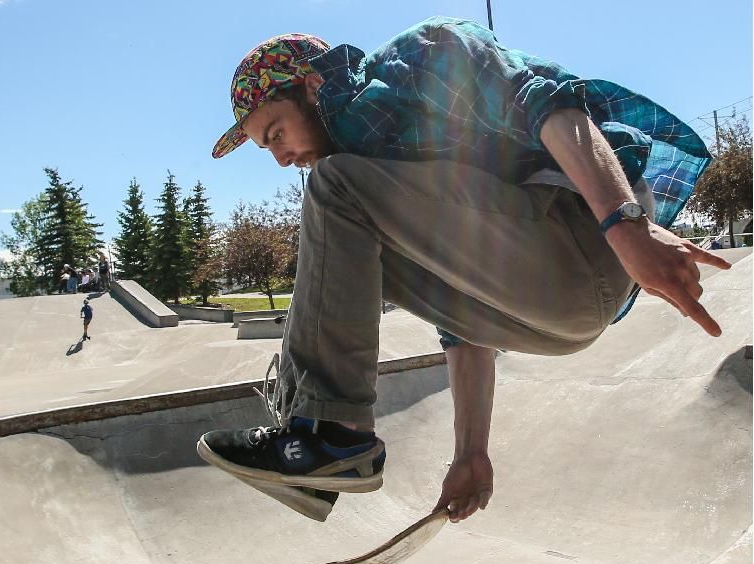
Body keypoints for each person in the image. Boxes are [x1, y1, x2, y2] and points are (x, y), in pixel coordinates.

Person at [196, 19, 731, 524]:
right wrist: (471, 448)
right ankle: (320, 451)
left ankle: (327, 432)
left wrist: (625, 225)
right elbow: (460, 317)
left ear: (312, 86)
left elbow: (549, 104)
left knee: (335, 187)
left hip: (578, 247)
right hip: (547, 318)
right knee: (340, 222)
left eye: (276, 134)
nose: (282, 158)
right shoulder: (383, 195)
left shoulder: (417, 57)